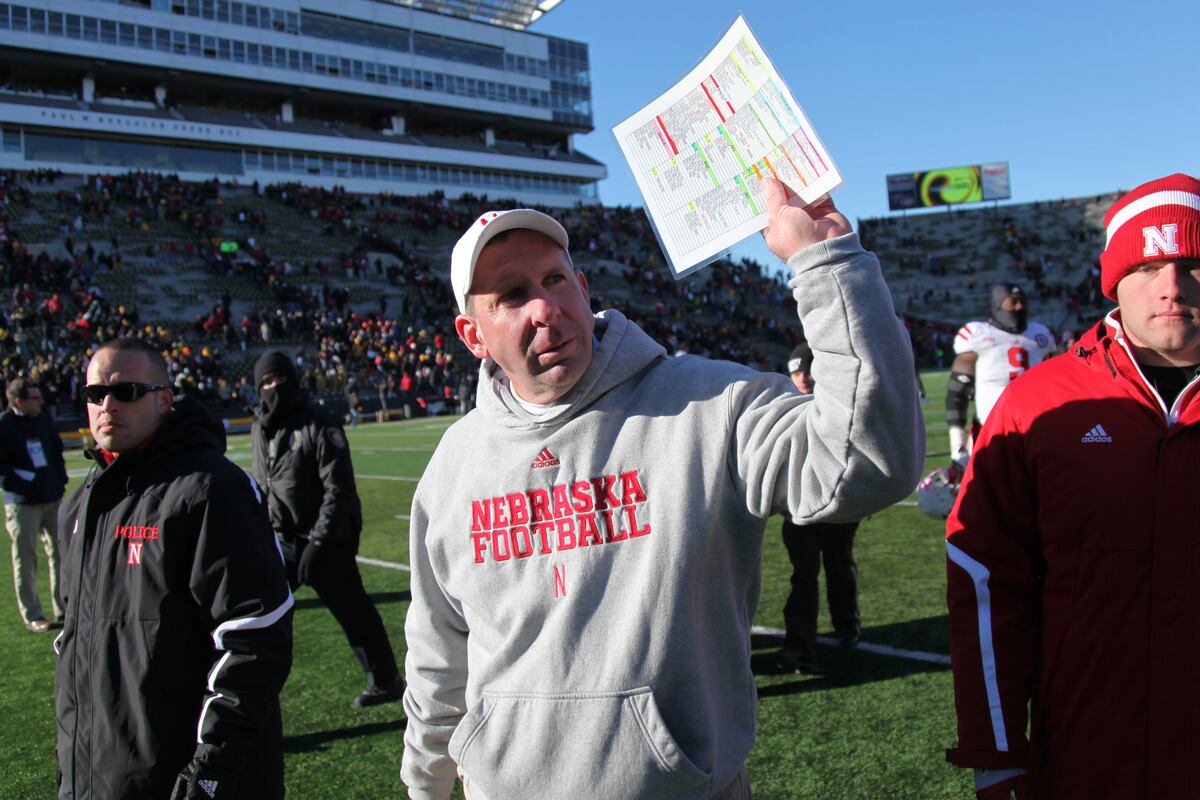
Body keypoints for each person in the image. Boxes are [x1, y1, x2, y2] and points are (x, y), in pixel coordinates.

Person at [401, 179, 925, 800]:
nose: (544, 309)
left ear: (583, 288)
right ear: (473, 336)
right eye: (512, 296)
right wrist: (425, 787)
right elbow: (438, 657)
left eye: (554, 280)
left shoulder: (711, 404)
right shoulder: (453, 465)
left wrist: (827, 263)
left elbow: (869, 461)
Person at [946, 173, 1200, 799]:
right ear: (1113, 280)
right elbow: (985, 580)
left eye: (1191, 264)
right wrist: (996, 749)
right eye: (1147, 267)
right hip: (1086, 754)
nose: (1170, 287)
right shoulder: (1037, 405)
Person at [56, 337, 293, 800]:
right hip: (101, 775)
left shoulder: (211, 489)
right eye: (94, 394)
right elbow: (74, 645)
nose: (107, 405)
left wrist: (210, 769)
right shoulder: (79, 506)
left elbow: (253, 639)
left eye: (126, 392)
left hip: (187, 780)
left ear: (164, 400)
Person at [250, 351, 402, 708]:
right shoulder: (260, 425)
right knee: (257, 617)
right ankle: (250, 695)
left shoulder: (319, 422)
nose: (274, 388)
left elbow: (339, 489)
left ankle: (386, 680)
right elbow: (264, 480)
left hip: (327, 540)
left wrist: (319, 540)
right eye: (266, 383)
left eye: (278, 379)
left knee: (354, 611)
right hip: (282, 539)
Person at [774, 343, 861, 674]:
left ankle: (847, 626)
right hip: (799, 506)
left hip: (838, 503)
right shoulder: (783, 403)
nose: (803, 378)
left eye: (807, 370)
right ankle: (800, 647)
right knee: (804, 575)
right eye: (796, 371)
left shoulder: (840, 402)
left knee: (840, 566)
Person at [945, 284, 1055, 461]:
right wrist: (957, 446)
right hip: (991, 431)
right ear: (998, 305)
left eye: (1022, 302)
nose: (1020, 307)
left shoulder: (1040, 335)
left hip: (1036, 428)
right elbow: (957, 393)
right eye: (1013, 302)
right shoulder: (978, 334)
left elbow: (1054, 384)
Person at [0, 377, 67, 633]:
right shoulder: (4, 425)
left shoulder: (43, 419)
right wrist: (23, 485)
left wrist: (58, 481)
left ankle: (64, 607)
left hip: (51, 498)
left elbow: (55, 450)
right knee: (25, 559)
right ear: (19, 401)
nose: (41, 402)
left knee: (60, 555)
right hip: (22, 503)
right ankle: (33, 615)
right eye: (35, 398)